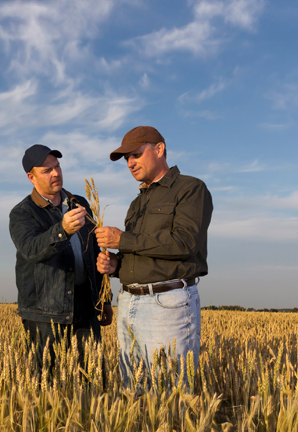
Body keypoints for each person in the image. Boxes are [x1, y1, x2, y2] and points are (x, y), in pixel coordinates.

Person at [94, 126, 213, 386]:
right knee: (132, 392)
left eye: (135, 154)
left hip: (166, 304)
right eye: (126, 159)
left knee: (169, 395)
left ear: (159, 149)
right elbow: (143, 252)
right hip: (128, 303)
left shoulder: (191, 189)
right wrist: (116, 265)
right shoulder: (137, 203)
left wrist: (122, 239)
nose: (130, 163)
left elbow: (185, 243)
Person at [8, 144, 113, 379]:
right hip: (46, 314)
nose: (55, 173)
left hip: (85, 308)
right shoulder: (23, 213)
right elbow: (31, 250)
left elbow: (95, 252)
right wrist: (62, 230)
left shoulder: (80, 204)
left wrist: (105, 298)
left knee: (93, 381)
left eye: (57, 167)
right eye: (46, 170)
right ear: (31, 177)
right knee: (47, 384)